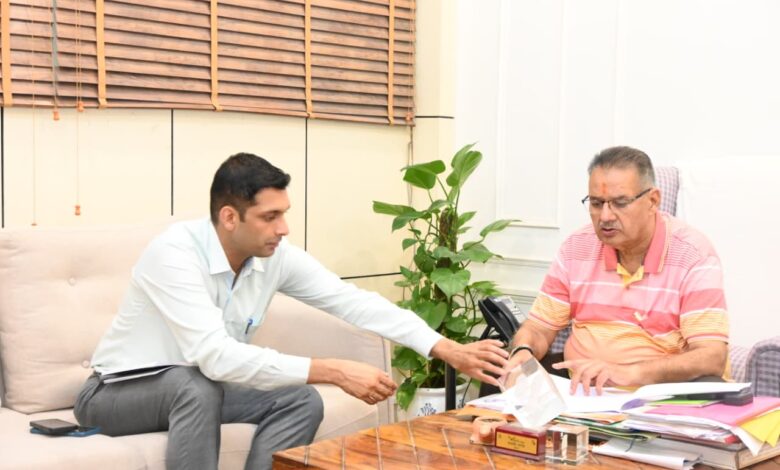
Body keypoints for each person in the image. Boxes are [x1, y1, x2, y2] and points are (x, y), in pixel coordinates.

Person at [74, 153, 509, 470]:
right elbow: (215, 357)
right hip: (114, 394)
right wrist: (333, 370)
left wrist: (444, 347)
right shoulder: (174, 254)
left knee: (300, 400)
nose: (283, 228)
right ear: (230, 217)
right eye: (270, 217)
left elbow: (351, 300)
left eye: (283, 214)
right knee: (195, 385)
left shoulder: (273, 257)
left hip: (201, 384)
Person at [503, 146, 729, 395]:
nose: (605, 216)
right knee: (503, 373)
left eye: (620, 203)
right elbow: (538, 328)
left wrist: (629, 373)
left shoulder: (692, 253)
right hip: (584, 391)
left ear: (653, 201)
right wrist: (522, 350)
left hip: (661, 395)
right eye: (596, 203)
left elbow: (711, 357)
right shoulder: (576, 248)